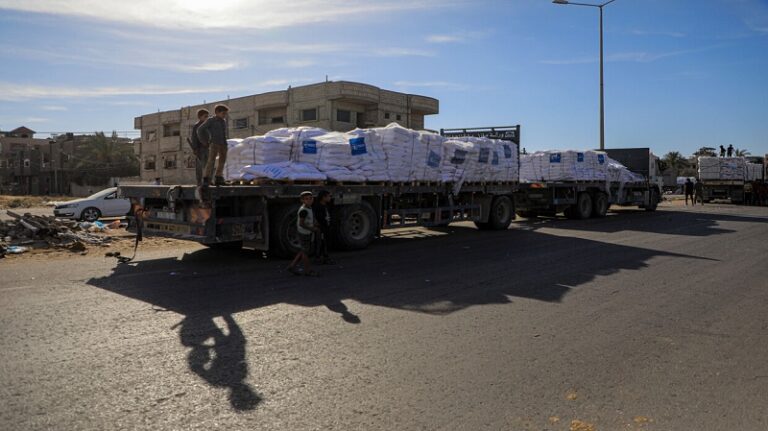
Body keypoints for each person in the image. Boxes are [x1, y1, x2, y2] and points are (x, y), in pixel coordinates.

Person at [287, 191, 320, 276]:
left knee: (303, 250)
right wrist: (312, 228)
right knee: (305, 253)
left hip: (306, 232)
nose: (309, 200)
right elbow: (302, 223)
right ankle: (307, 270)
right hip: (304, 233)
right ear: (302, 200)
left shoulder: (309, 208)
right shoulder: (303, 210)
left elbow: (310, 218)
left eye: (310, 198)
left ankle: (292, 266)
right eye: (306, 199)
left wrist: (315, 223)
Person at [197, 104, 229, 187]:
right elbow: (200, 130)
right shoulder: (211, 120)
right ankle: (206, 179)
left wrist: (225, 143)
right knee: (211, 161)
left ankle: (218, 177)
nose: (224, 115)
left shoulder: (223, 121)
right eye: (223, 113)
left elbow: (224, 133)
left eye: (225, 114)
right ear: (217, 112)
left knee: (222, 161)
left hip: (223, 144)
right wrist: (204, 141)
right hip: (214, 143)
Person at [312, 190, 335, 265]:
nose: (330, 198)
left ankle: (325, 257)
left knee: (325, 242)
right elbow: (316, 217)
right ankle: (318, 257)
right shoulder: (318, 206)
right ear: (323, 197)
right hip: (321, 228)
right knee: (320, 243)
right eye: (328, 196)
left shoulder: (327, 205)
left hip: (326, 227)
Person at [188, 108, 210, 186]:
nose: (207, 118)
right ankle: (199, 182)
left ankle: (208, 181)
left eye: (208, 116)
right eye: (205, 116)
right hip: (200, 149)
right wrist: (195, 149)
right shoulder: (196, 126)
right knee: (200, 167)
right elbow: (194, 138)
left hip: (208, 148)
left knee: (208, 166)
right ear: (200, 117)